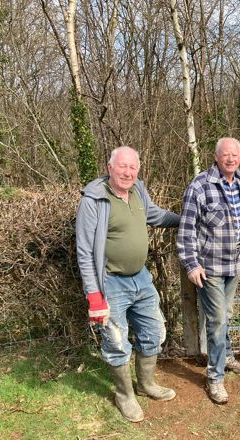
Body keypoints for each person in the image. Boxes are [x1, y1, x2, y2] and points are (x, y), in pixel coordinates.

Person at [75, 146, 179, 423]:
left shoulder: (137, 190)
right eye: (122, 166)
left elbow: (154, 215)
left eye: (133, 167)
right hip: (111, 282)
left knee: (154, 332)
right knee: (117, 341)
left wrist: (185, 220)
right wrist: (94, 296)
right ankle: (124, 395)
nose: (128, 172)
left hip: (141, 277)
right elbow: (85, 251)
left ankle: (145, 384)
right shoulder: (94, 200)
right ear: (109, 167)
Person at [176, 137, 240, 404]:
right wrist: (191, 264)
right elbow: (186, 230)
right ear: (216, 156)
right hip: (209, 267)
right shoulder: (199, 186)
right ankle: (215, 377)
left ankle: (227, 356)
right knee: (218, 320)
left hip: (234, 264)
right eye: (226, 155)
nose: (231, 159)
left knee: (228, 315)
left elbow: (239, 218)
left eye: (235, 154)